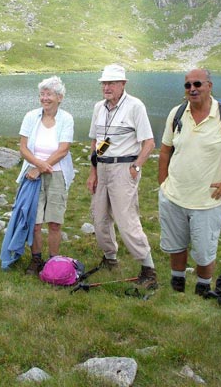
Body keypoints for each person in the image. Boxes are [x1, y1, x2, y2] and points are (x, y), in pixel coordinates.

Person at [158, 68, 221, 295]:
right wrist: (163, 184)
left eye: (197, 84)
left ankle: (203, 287)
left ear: (209, 86)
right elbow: (165, 150)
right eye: (187, 85)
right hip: (174, 196)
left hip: (207, 201)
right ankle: (177, 284)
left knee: (204, 252)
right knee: (176, 245)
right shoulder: (177, 113)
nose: (192, 89)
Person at [86, 64, 158, 290]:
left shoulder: (135, 106)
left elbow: (149, 142)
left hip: (124, 168)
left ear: (123, 84)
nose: (106, 87)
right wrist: (93, 171)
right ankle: (110, 259)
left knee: (126, 220)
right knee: (99, 219)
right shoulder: (99, 107)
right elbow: (97, 142)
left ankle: (148, 268)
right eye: (104, 83)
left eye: (111, 83)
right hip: (103, 168)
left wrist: (136, 166)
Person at [15, 75, 75, 275]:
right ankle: (36, 259)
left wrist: (40, 168)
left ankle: (54, 261)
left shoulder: (66, 118)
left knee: (55, 222)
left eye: (49, 94)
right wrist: (38, 165)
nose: (45, 98)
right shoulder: (31, 116)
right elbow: (23, 148)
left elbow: (63, 150)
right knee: (34, 221)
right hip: (32, 175)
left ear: (60, 97)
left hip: (56, 175)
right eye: (42, 94)